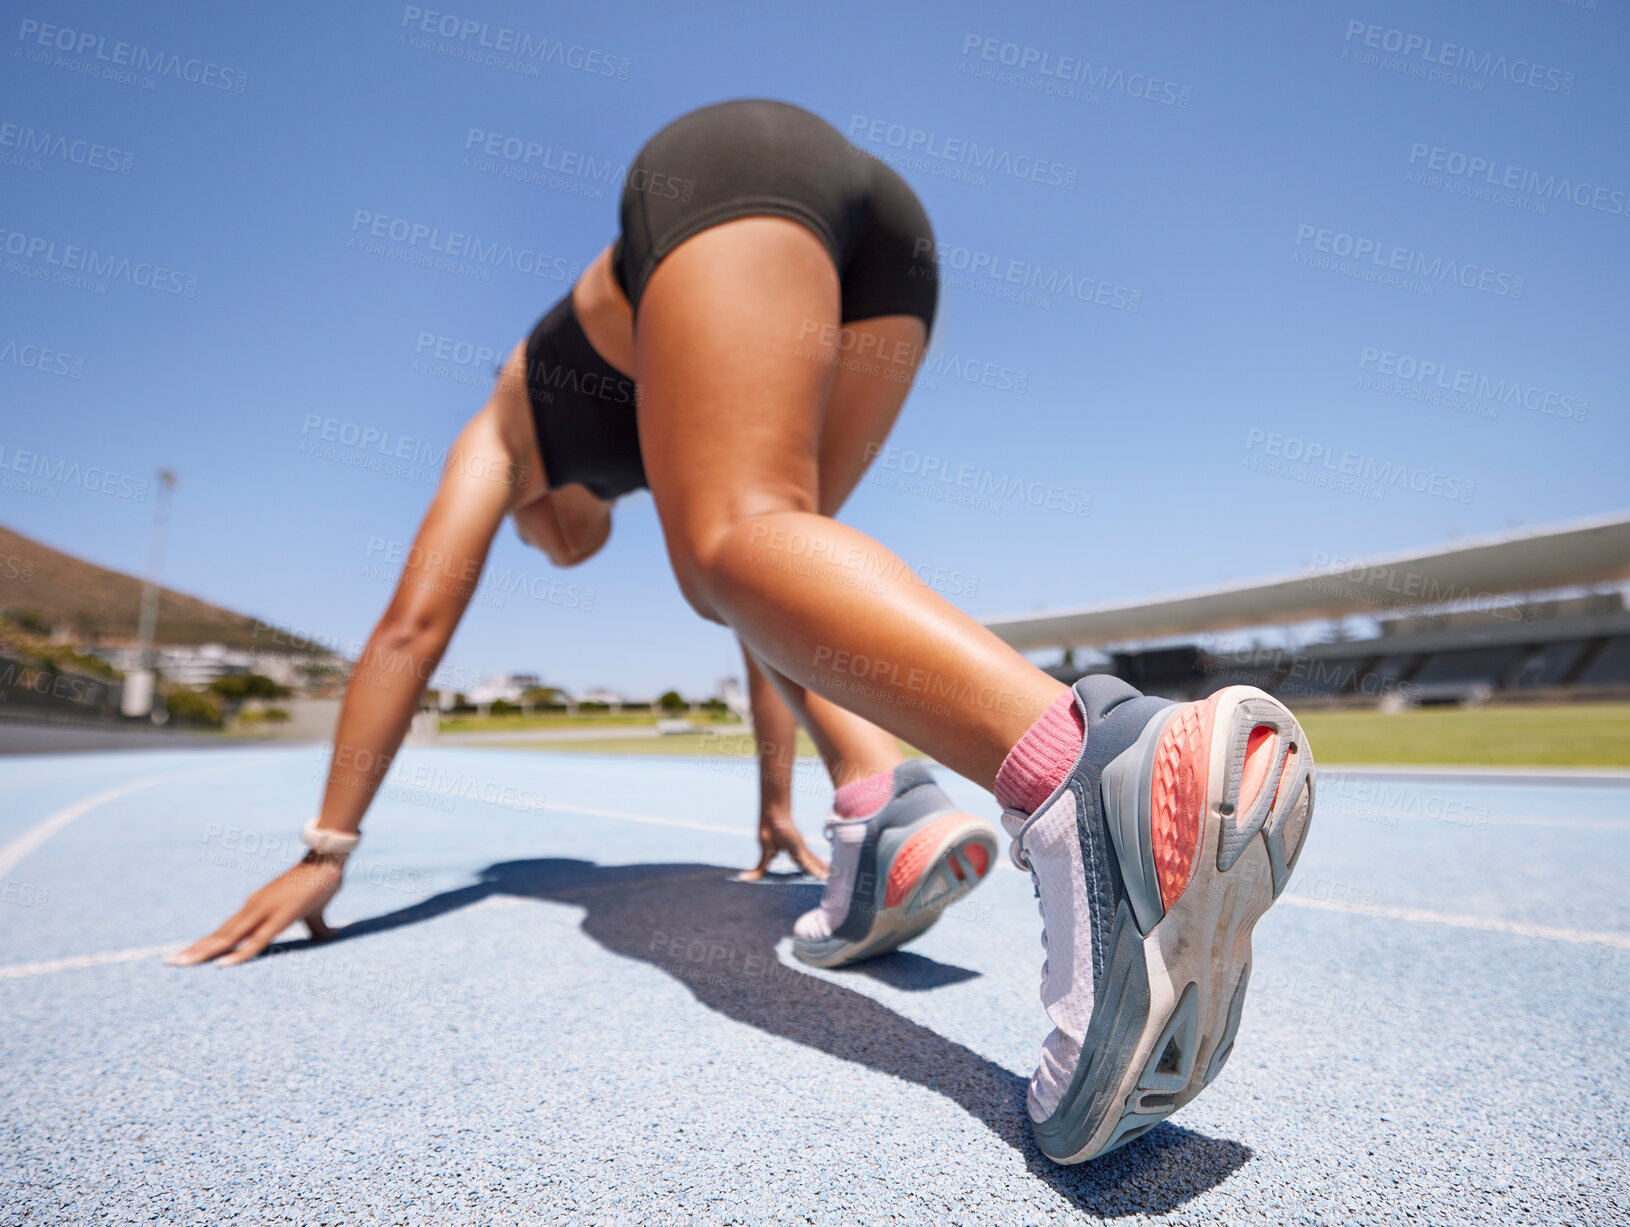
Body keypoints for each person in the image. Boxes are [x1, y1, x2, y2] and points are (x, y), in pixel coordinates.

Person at [169, 99, 1317, 1165]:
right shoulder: (631, 427)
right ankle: (880, 807)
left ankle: (1088, 768)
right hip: (886, 244)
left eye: (532, 543)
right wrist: (782, 797)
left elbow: (410, 629)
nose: (553, 552)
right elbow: (777, 616)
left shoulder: (502, 429)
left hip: (728, 172)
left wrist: (326, 848)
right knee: (762, 553)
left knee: (731, 542)